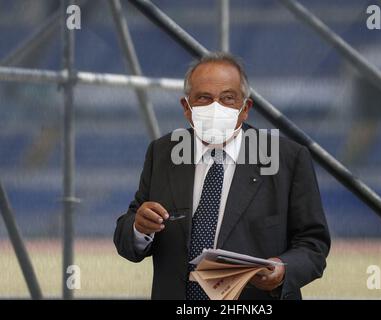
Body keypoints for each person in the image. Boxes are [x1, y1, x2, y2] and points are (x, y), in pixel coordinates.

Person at [114, 52, 330, 300]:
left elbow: (313, 245)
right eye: (204, 98)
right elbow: (128, 237)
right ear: (187, 107)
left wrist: (282, 269)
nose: (216, 107)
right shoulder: (163, 152)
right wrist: (139, 228)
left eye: (228, 98)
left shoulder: (286, 159)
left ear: (245, 108)